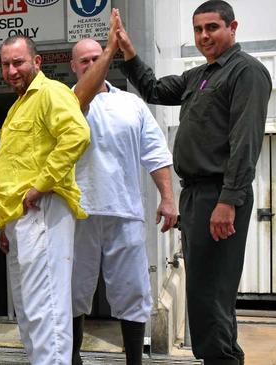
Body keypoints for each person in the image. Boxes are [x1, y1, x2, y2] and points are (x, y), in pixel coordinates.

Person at [116, 1, 272, 364]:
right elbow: (154, 89)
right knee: (204, 292)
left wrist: (228, 201)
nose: (204, 36)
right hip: (197, 196)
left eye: (212, 28)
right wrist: (128, 52)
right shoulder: (201, 75)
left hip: (218, 194)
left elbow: (245, 141)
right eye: (198, 29)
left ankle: (221, 359)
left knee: (211, 294)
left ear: (233, 28)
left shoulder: (246, 72)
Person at [0, 9, 121, 364]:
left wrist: (41, 185)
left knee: (46, 309)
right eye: (5, 64)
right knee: (31, 310)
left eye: (18, 62)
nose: (11, 71)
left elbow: (77, 134)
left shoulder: (51, 92)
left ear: (36, 61)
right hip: (22, 219)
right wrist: (5, 222)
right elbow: (15, 165)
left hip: (43, 212)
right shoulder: (20, 105)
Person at [68, 38, 178, 365]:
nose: (90, 65)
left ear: (107, 61)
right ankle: (72, 358)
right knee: (71, 293)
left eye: (95, 58)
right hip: (76, 214)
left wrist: (168, 198)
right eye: (83, 61)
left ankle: (134, 361)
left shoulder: (132, 105)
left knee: (134, 292)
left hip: (125, 212)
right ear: (73, 66)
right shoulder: (63, 101)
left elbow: (156, 153)